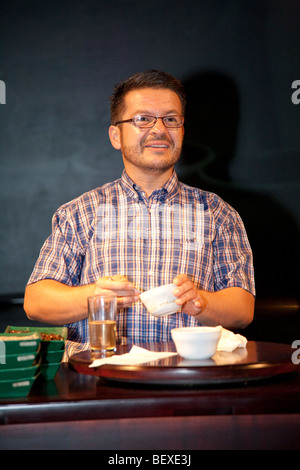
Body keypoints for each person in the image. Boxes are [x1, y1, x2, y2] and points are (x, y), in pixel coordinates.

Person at [24, 70, 255, 359]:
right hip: (97, 380)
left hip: (190, 379)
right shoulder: (80, 212)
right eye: (142, 119)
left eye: (171, 119)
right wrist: (95, 295)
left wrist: (200, 301)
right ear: (116, 135)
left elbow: (243, 310)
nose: (159, 130)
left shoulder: (218, 213)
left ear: (182, 131)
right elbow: (35, 303)